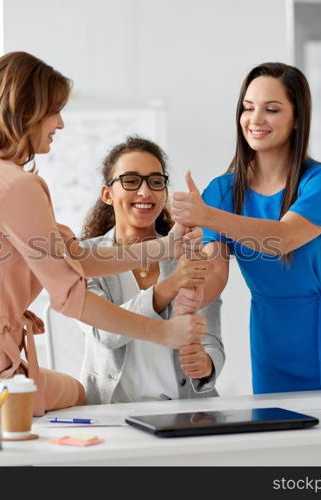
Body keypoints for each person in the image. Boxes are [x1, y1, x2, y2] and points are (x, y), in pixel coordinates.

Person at [0, 52, 206, 418]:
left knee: (76, 393)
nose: (59, 123)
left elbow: (73, 260)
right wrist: (164, 334)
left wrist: (164, 247)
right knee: (71, 400)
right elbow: (71, 297)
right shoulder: (15, 186)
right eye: (53, 110)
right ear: (24, 111)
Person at [171, 62, 321, 394]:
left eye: (271, 109)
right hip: (272, 339)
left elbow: (282, 239)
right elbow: (215, 273)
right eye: (247, 108)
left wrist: (207, 216)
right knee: (280, 435)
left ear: (297, 118)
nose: (255, 119)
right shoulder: (222, 192)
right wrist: (190, 295)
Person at [77, 136, 224, 404]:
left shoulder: (187, 253)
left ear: (165, 193)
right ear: (107, 194)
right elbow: (105, 334)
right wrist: (168, 287)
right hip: (112, 415)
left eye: (155, 182)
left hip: (184, 411)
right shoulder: (84, 257)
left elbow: (210, 336)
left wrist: (207, 364)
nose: (145, 192)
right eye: (131, 181)